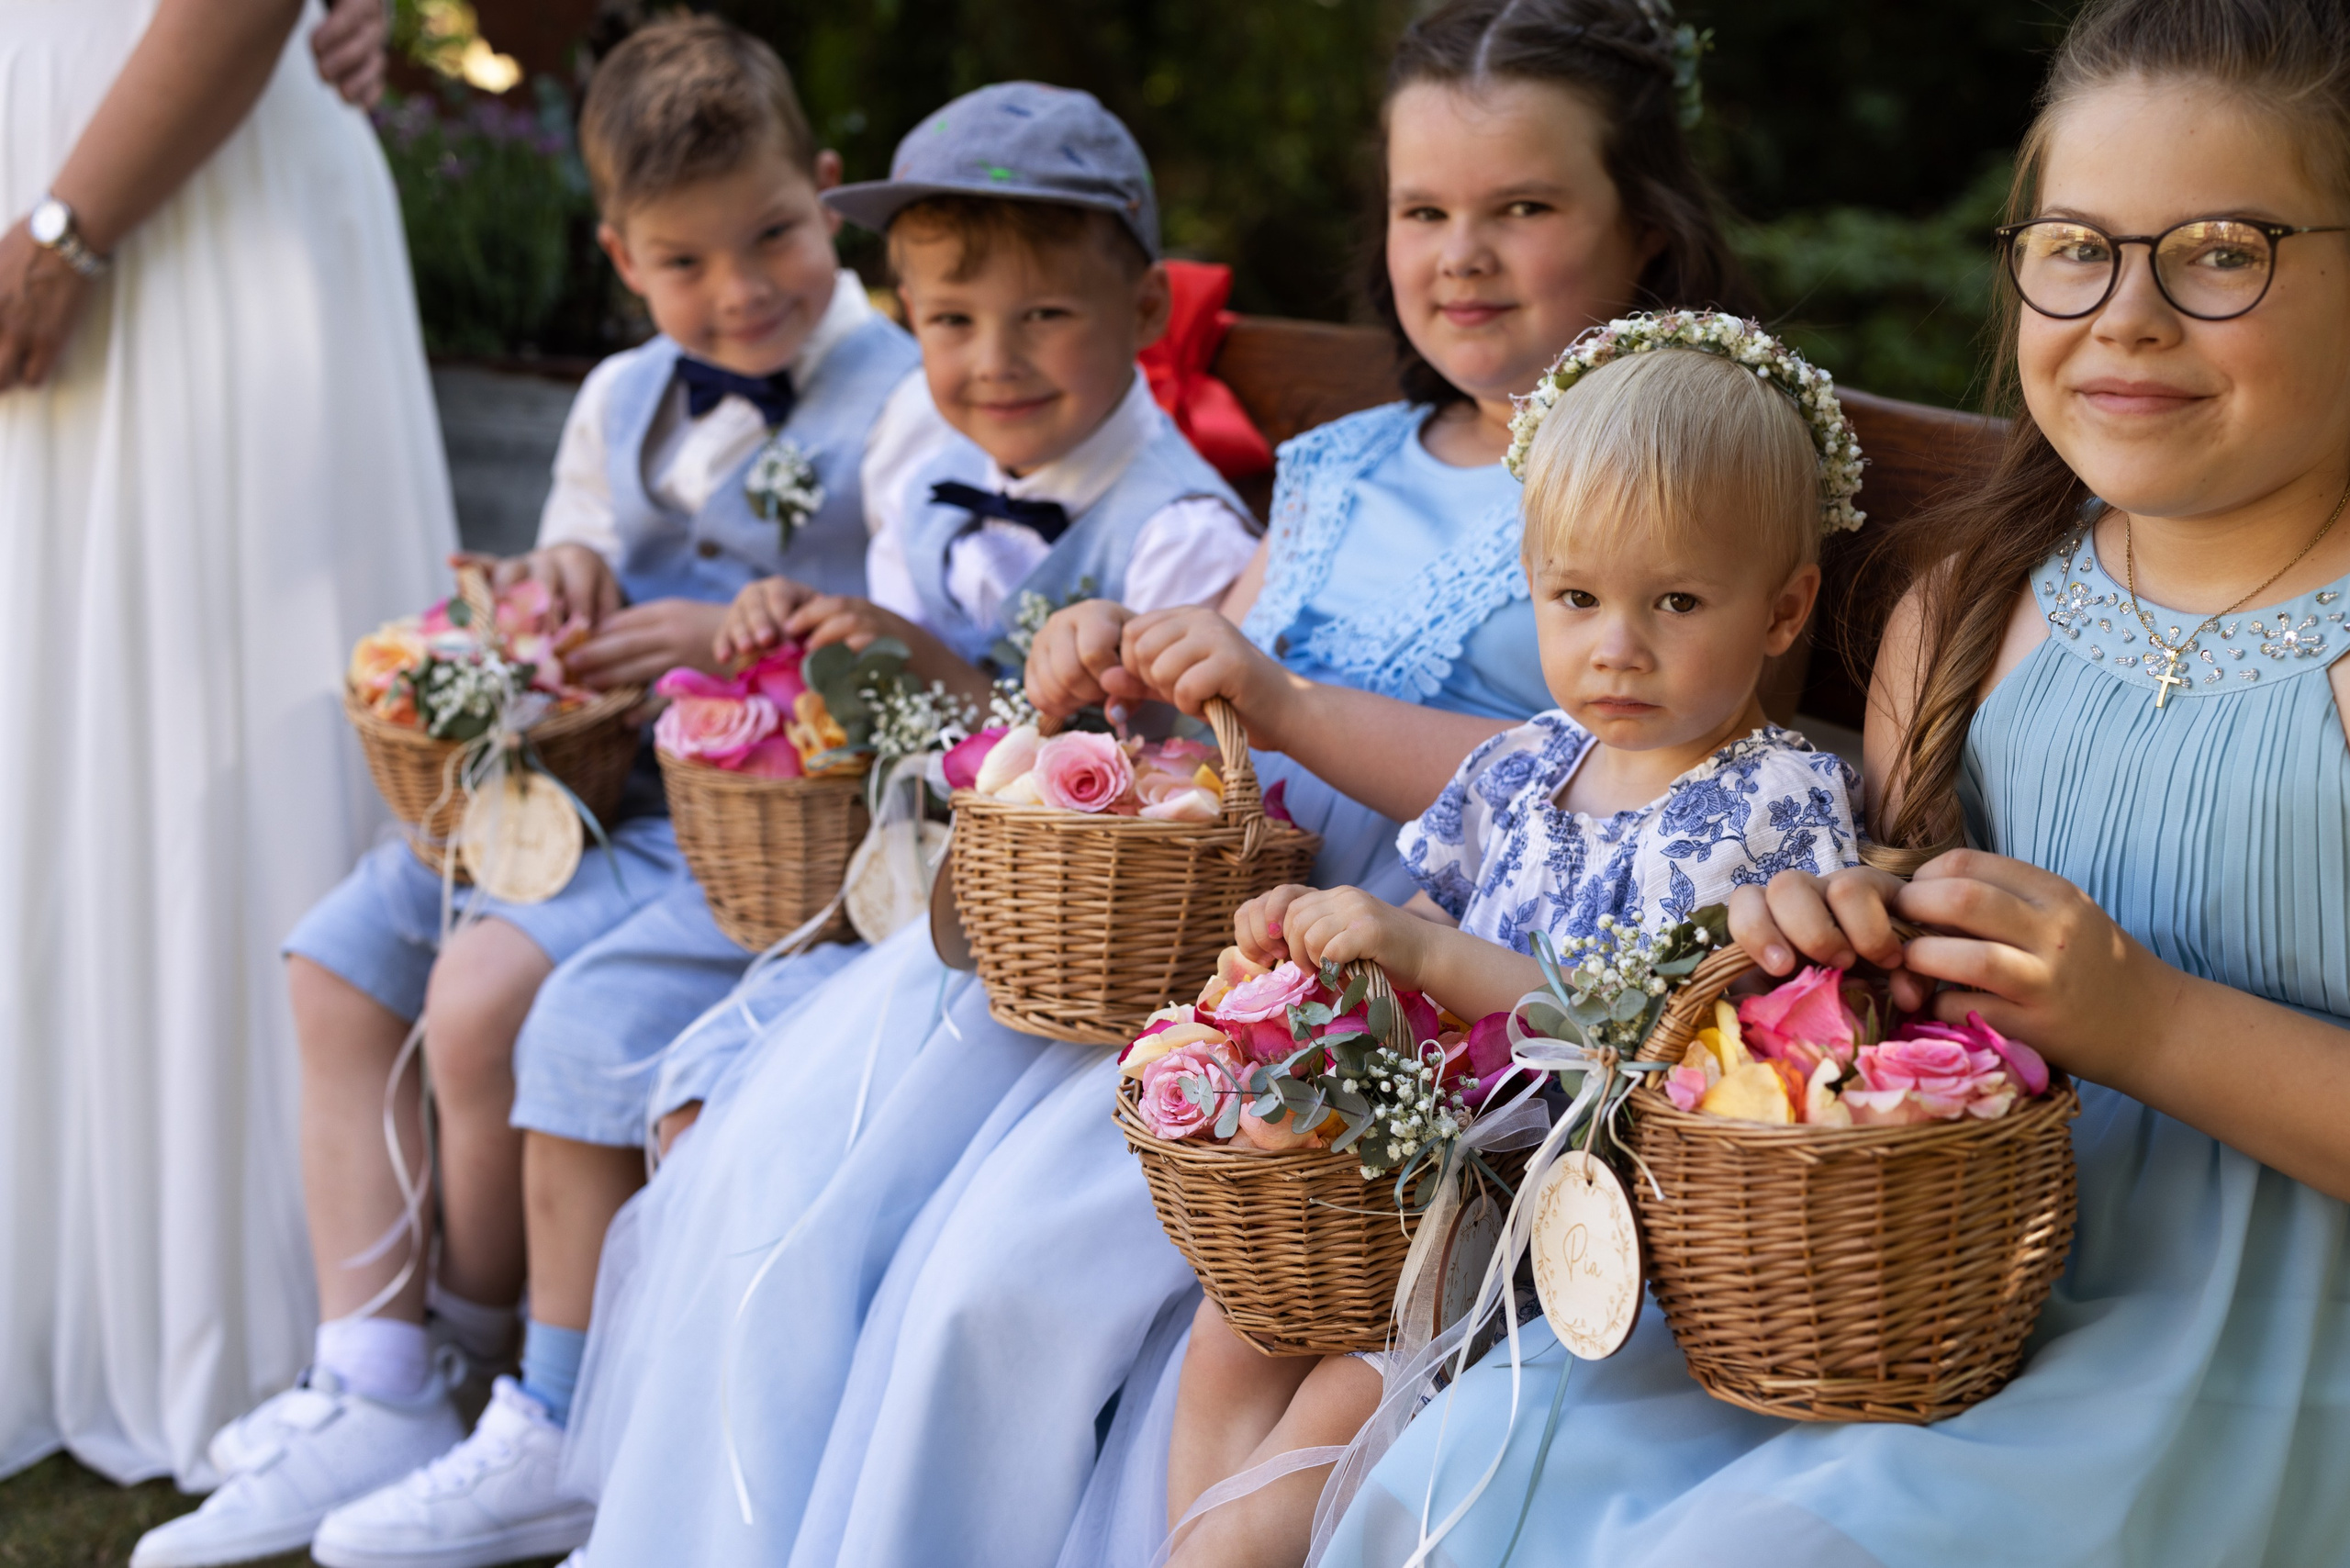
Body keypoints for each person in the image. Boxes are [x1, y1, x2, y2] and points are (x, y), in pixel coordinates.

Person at [1318, 1, 2350, 1563]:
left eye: (2221, 252)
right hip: (1901, 1278)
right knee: (1471, 1477)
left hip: (2262, 1353)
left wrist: (2148, 1024)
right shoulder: (1967, 614)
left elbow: (2119, 1020)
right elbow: (1895, 1006)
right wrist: (1827, 950)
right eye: (2075, 249)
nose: (2126, 315)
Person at [775, 7, 1755, 1568]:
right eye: (1424, 211)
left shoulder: (1685, 477)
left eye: (1522, 208)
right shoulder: (1346, 458)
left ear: (1645, 225)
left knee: (1004, 1283)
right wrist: (1123, 657)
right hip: (1216, 928)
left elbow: (1643, 777)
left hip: (1415, 974)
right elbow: (1221, 666)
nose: (1462, 255)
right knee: (839, 1193)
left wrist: (1288, 705)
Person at [129, 17, 931, 1566]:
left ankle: (485, 1357)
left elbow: (911, 626)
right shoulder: (621, 394)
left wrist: (724, 634)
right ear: (622, 258)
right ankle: (372, 1369)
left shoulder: (900, 391)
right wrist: (559, 582)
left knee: (486, 991)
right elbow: (581, 540)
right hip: (593, 785)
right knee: (336, 957)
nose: (741, 290)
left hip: (748, 831)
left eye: (773, 237)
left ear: (827, 196)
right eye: (685, 262)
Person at [549, 80, 1261, 1566]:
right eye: (948, 320)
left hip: (1075, 968)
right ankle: (734, 1500)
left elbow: (1172, 803)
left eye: (1043, 317)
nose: (992, 361)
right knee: (710, 1132)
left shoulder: (1186, 537)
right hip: (921, 914)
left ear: (1141, 309)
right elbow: (901, 697)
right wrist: (812, 644)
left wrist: (930, 670)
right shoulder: (920, 470)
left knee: (808, 1178)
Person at [1167, 334, 1863, 1568]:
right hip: (1413, 1183)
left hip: (1564, 1225)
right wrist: (1325, 961)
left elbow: (1651, 1038)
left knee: (1322, 1427)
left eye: (1677, 603)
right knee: (1230, 1328)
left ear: (1784, 610)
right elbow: (1436, 915)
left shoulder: (1775, 804)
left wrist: (1424, 958)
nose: (1617, 646)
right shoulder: (1528, 761)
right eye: (1576, 599)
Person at [0, 0, 450, 1493]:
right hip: (89, 152)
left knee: (204, 731)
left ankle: (279, 1313)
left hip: (163, 194)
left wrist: (66, 229)